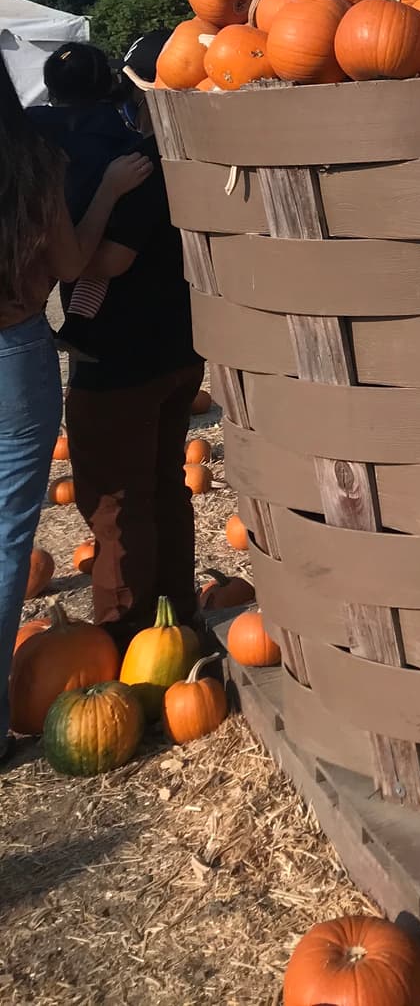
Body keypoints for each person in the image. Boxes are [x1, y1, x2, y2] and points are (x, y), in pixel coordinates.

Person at [0, 55, 151, 760]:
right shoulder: (31, 157)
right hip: (12, 348)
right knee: (6, 535)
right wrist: (110, 192)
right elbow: (71, 264)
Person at [62, 44, 205, 650]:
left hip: (121, 358)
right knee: (164, 485)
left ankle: (129, 635)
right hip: (177, 347)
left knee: (114, 504)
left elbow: (104, 261)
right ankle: (179, 617)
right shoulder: (183, 153)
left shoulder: (126, 163)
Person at [27, 43, 145, 358]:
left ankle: (36, 314)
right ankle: (78, 327)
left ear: (50, 88)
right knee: (101, 266)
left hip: (36, 228)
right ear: (108, 85)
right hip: (91, 226)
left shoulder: (30, 124)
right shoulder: (119, 134)